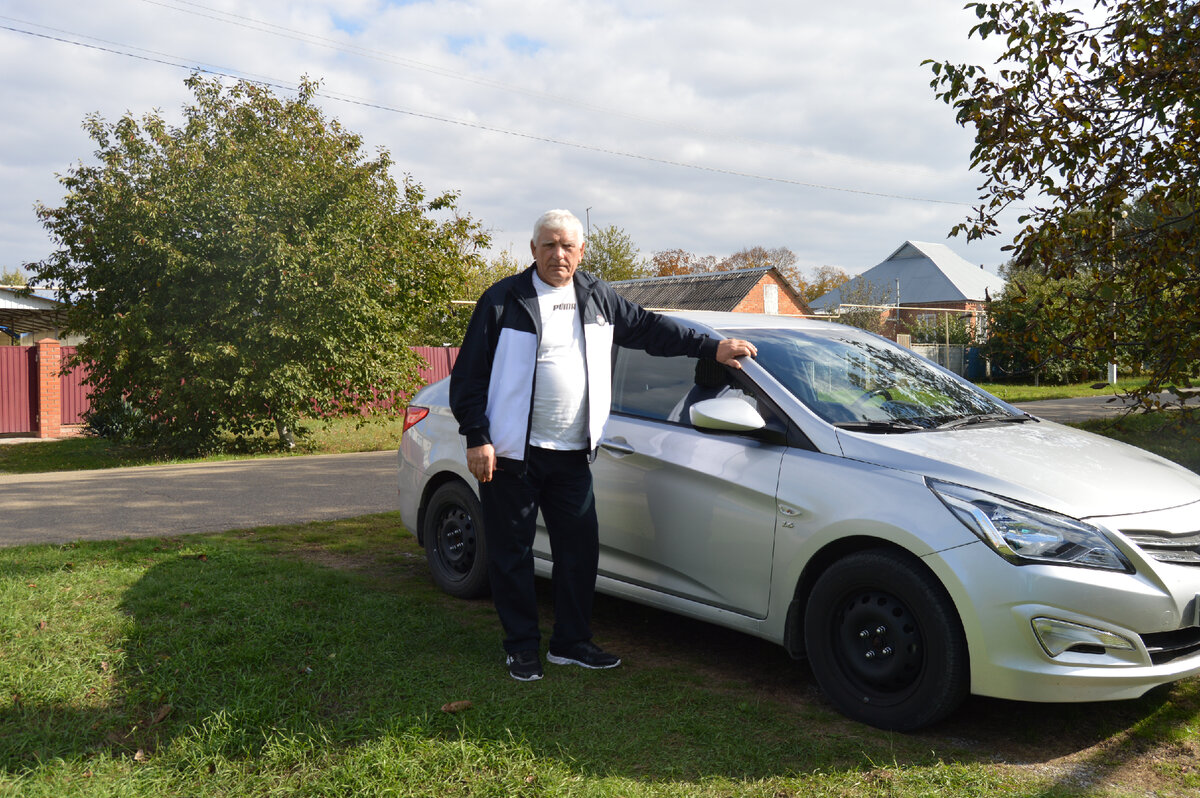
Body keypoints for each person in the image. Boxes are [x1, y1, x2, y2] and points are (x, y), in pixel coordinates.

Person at [448, 209, 757, 681]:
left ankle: (570, 643)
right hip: (513, 455)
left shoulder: (597, 297)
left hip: (573, 454)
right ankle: (521, 647)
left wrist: (709, 347)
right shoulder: (502, 300)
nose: (558, 254)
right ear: (533, 250)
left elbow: (651, 330)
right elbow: (468, 375)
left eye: (567, 245)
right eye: (549, 245)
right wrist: (478, 436)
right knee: (512, 555)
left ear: (581, 251)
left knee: (579, 552)